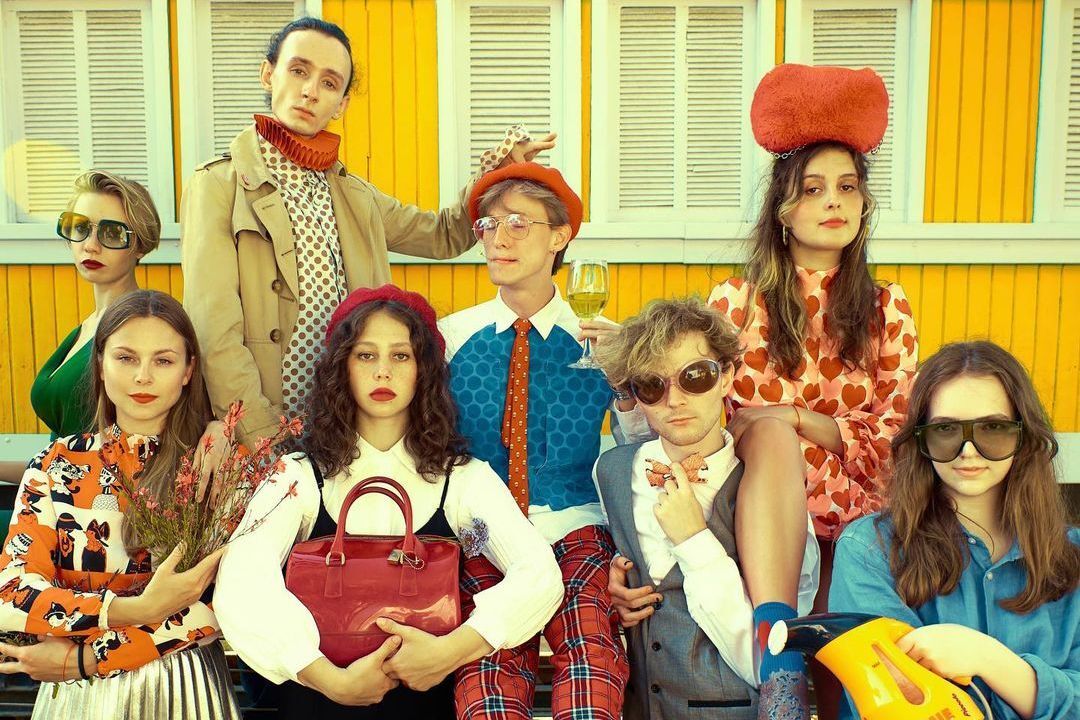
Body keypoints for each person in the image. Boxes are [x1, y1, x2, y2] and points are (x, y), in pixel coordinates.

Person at [180, 17, 553, 448]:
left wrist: (496, 173)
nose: (310, 91)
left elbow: (443, 234)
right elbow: (214, 332)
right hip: (265, 430)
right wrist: (262, 439)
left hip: (348, 426)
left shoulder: (354, 194)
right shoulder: (218, 185)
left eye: (329, 82)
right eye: (298, 71)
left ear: (340, 104)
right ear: (269, 74)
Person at [213, 284, 563, 719]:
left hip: (427, 705)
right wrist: (329, 678)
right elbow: (243, 580)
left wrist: (451, 651)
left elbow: (539, 574)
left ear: (423, 370)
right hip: (318, 703)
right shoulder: (298, 474)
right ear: (342, 368)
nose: (383, 372)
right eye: (366, 355)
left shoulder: (463, 477)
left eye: (400, 355)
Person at [705, 64, 918, 714]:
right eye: (814, 188)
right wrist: (784, 429)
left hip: (856, 513)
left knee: (845, 645)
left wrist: (794, 416)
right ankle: (779, 660)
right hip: (763, 509)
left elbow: (896, 439)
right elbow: (714, 422)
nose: (834, 203)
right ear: (783, 208)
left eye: (848, 188)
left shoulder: (887, 308)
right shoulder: (735, 304)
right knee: (769, 436)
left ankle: (794, 669)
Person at [439, 162, 651, 720]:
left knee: (592, 656)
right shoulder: (451, 337)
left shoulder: (602, 338)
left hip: (574, 527)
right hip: (483, 536)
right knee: (486, 676)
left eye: (518, 223)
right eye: (488, 225)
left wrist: (625, 386)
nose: (498, 239)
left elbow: (640, 449)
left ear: (559, 237)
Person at [0, 290, 237, 718]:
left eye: (163, 360)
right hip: (75, 698)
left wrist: (86, 659)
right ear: (100, 365)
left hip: (182, 687)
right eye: (126, 358)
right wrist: (133, 610)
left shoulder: (215, 468)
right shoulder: (56, 464)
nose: (142, 377)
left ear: (188, 370)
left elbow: (222, 604)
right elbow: (11, 593)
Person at [593, 297, 818, 720]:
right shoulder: (611, 471)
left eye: (694, 377)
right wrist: (607, 592)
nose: (674, 400)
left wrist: (695, 543)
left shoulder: (770, 490)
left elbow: (771, 660)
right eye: (652, 385)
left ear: (726, 376)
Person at [830, 341, 1080, 720]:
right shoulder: (869, 549)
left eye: (993, 427)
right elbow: (905, 704)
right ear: (920, 438)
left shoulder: (1073, 556)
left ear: (1023, 435)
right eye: (946, 429)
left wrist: (987, 658)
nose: (968, 450)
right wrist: (1036, 692)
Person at [0, 171, 162, 485]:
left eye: (112, 233)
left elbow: (106, 467)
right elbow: (59, 458)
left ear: (140, 245)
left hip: (89, 505)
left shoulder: (138, 329)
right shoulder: (89, 325)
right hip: (51, 492)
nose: (90, 246)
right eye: (80, 228)